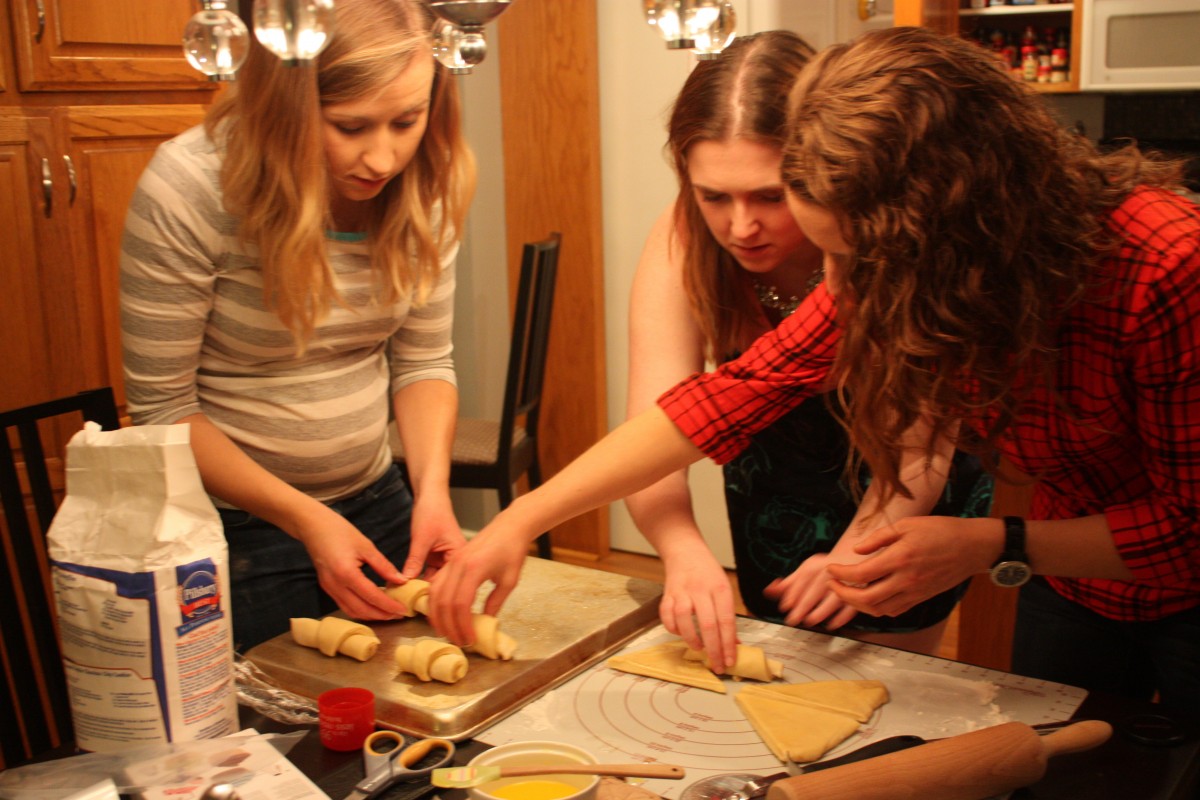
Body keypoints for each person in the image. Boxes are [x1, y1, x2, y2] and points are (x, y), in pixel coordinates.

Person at [428, 27, 1200, 712]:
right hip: (1071, 582)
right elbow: (728, 398)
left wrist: (989, 542)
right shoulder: (875, 262)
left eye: (852, 255)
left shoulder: (1167, 267)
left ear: (957, 226)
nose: (837, 282)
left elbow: (1190, 529)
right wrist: (520, 521)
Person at [623, 31, 991, 667]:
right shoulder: (683, 237)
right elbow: (652, 435)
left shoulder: (878, 236)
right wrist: (681, 548)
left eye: (770, 195)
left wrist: (859, 550)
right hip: (774, 492)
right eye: (714, 196)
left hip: (904, 494)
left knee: (886, 683)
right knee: (787, 673)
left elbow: (919, 455)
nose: (741, 227)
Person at [120, 0, 476, 651]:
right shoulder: (190, 187)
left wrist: (432, 493)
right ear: (285, 106)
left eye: (407, 120)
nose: (383, 158)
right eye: (349, 126)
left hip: (379, 498)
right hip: (240, 529)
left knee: (408, 707)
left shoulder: (430, 181)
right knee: (283, 736)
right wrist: (305, 519)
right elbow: (164, 408)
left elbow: (424, 363)